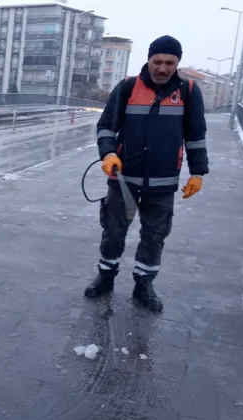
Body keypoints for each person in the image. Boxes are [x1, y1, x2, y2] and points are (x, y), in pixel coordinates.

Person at [85, 35, 208, 312]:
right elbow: (106, 126)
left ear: (177, 63)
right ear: (149, 60)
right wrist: (108, 153)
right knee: (113, 232)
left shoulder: (188, 91)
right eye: (157, 61)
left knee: (154, 236)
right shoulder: (129, 87)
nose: (162, 68)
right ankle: (105, 277)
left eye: (169, 62)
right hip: (123, 180)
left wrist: (198, 173)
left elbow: (196, 136)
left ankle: (144, 285)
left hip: (163, 184)